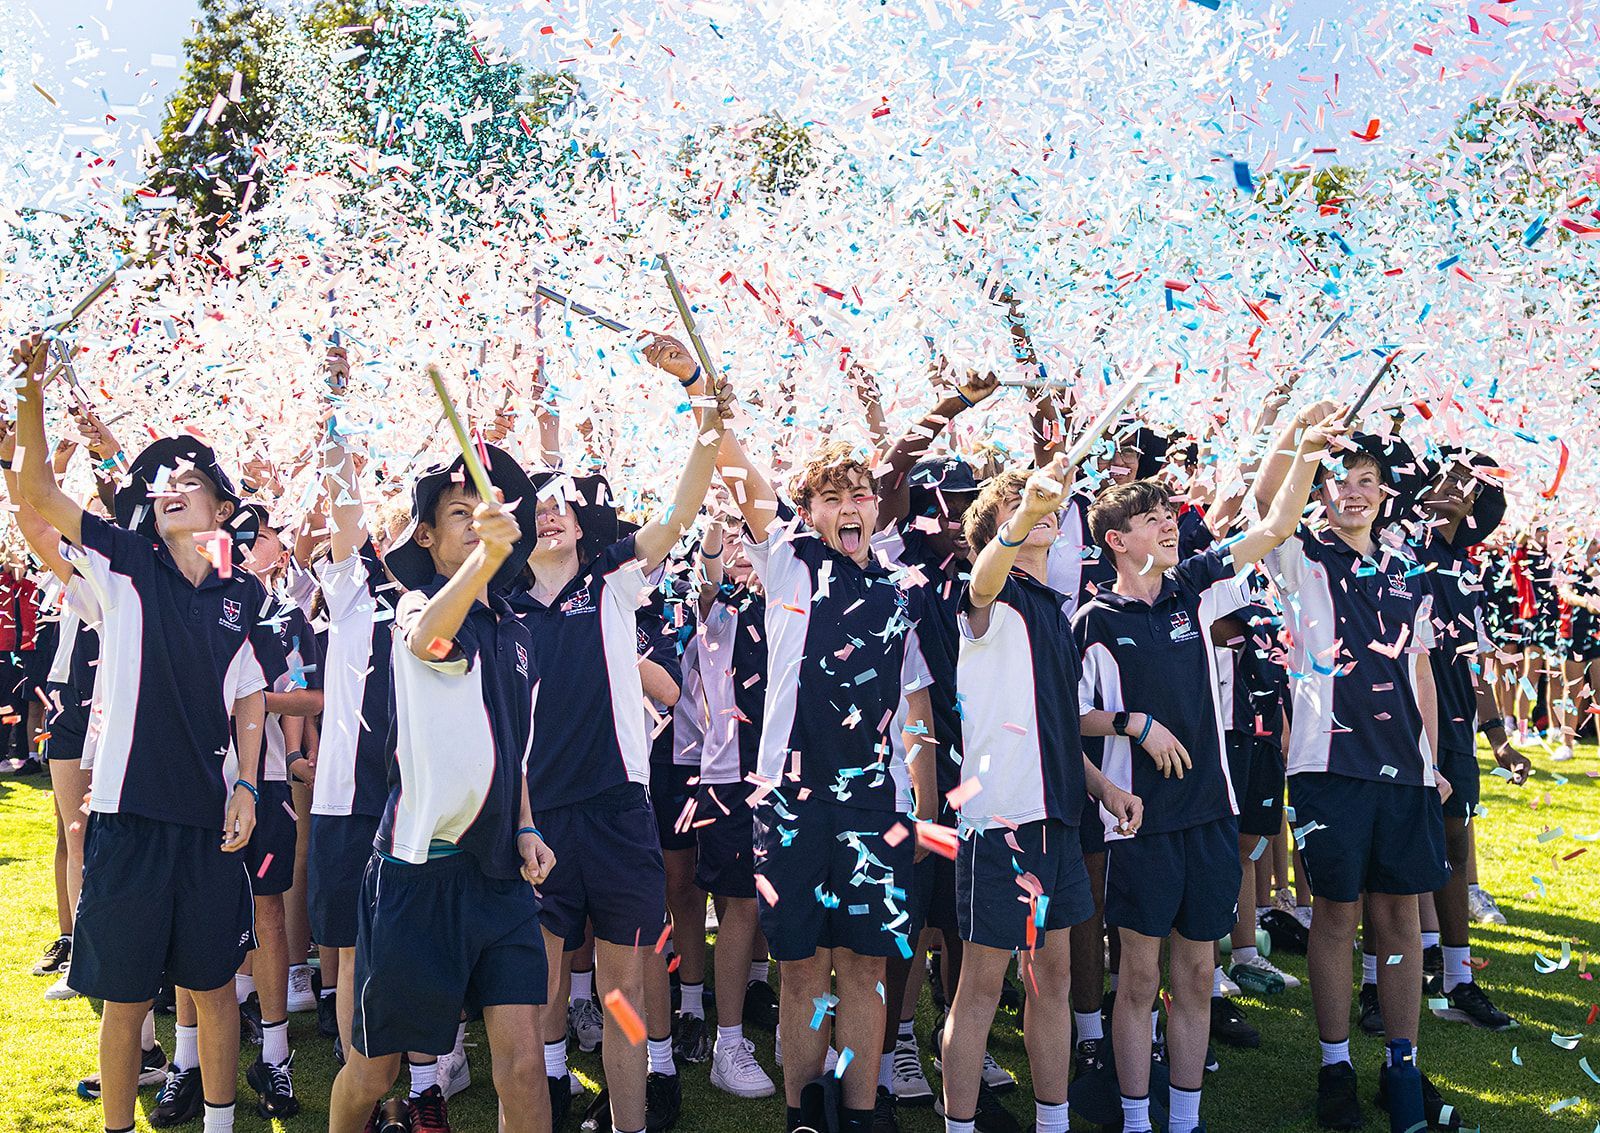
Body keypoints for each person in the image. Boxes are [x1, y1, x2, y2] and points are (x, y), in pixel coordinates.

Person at [12, 333, 280, 1133]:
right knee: (124, 1000)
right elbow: (34, 488)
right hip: (128, 820)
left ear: (222, 512)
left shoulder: (242, 595)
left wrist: (244, 783)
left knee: (215, 988)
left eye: (189, 483)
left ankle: (222, 1122)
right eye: (163, 481)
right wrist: (31, 389)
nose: (168, 487)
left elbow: (251, 702)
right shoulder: (125, 559)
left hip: (209, 825)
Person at [1076, 401, 1348, 1133]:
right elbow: (1065, 722)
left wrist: (1306, 450)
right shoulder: (1093, 622)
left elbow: (1274, 528)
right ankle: (1138, 1119)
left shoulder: (1191, 586)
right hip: (1140, 823)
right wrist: (1136, 725)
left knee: (1196, 971)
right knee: (1137, 977)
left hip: (1207, 813)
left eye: (1169, 513)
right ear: (1115, 539)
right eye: (1153, 518)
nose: (1171, 524)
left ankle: (1186, 1120)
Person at [507, 334, 731, 1133]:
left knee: (626, 992)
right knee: (533, 999)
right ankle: (552, 1102)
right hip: (533, 816)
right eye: (538, 500)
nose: (553, 508)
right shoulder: (498, 600)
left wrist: (698, 390)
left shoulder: (612, 574)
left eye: (564, 499)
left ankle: (631, 1119)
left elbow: (682, 509)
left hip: (618, 811)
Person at [326, 441, 556, 1133]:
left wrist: (525, 824)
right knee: (375, 1072)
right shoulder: (415, 607)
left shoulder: (517, 631)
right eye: (459, 511)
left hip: (501, 881)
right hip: (417, 875)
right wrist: (486, 559)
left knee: (522, 1065)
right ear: (425, 535)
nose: (474, 520)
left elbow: (510, 752)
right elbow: (431, 639)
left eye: (483, 511)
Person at [713, 424, 937, 1133]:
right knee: (804, 970)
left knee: (866, 967)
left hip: (874, 803)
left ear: (877, 508)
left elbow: (917, 704)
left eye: (860, 495)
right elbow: (735, 466)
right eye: (831, 496)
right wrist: (697, 389)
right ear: (808, 510)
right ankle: (803, 1115)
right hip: (792, 799)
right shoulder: (788, 560)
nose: (849, 506)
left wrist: (924, 806)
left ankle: (862, 1113)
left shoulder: (902, 590)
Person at [1252, 410, 1460, 1131]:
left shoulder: (1406, 569)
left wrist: (1433, 762)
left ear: (1384, 494)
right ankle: (1335, 1062)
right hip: (1325, 766)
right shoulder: (1296, 553)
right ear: (1322, 491)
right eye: (1340, 482)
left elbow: (1422, 674)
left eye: (1366, 482)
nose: (1353, 494)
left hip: (1404, 772)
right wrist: (1303, 439)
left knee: (1401, 917)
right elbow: (1263, 499)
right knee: (1336, 914)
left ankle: (1401, 1062)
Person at [942, 457, 1143, 1133]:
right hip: (1002, 822)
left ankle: (1052, 1123)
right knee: (980, 988)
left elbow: (1057, 727)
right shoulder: (986, 600)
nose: (1044, 511)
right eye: (1020, 508)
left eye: (1045, 507)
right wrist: (1023, 507)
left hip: (1057, 822)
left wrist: (1105, 784)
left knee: (1051, 980)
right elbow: (983, 574)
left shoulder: (1054, 610)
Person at [1411, 450, 1526, 1037]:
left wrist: (1499, 738)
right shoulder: (1399, 553)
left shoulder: (1470, 572)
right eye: (1450, 476)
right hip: (1399, 723)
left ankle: (1457, 976)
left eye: (1470, 485)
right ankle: (1397, 976)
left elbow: (1477, 661)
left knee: (1455, 842)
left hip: (1455, 725)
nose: (1458, 487)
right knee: (1405, 849)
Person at [691, 514, 780, 1101]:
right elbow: (706, 587)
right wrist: (717, 545)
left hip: (793, 777)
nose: (745, 564)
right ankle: (727, 1043)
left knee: (786, 906)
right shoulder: (721, 613)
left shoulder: (798, 605)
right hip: (728, 780)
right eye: (737, 558)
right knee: (740, 907)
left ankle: (784, 1022)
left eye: (755, 553)